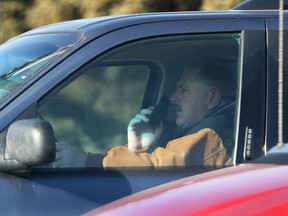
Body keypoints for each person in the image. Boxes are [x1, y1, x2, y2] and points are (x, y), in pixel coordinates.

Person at [53, 61, 236, 168]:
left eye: (183, 89)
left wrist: (86, 161)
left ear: (213, 98)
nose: (173, 97)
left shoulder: (214, 135)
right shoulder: (204, 131)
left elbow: (157, 167)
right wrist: (138, 148)